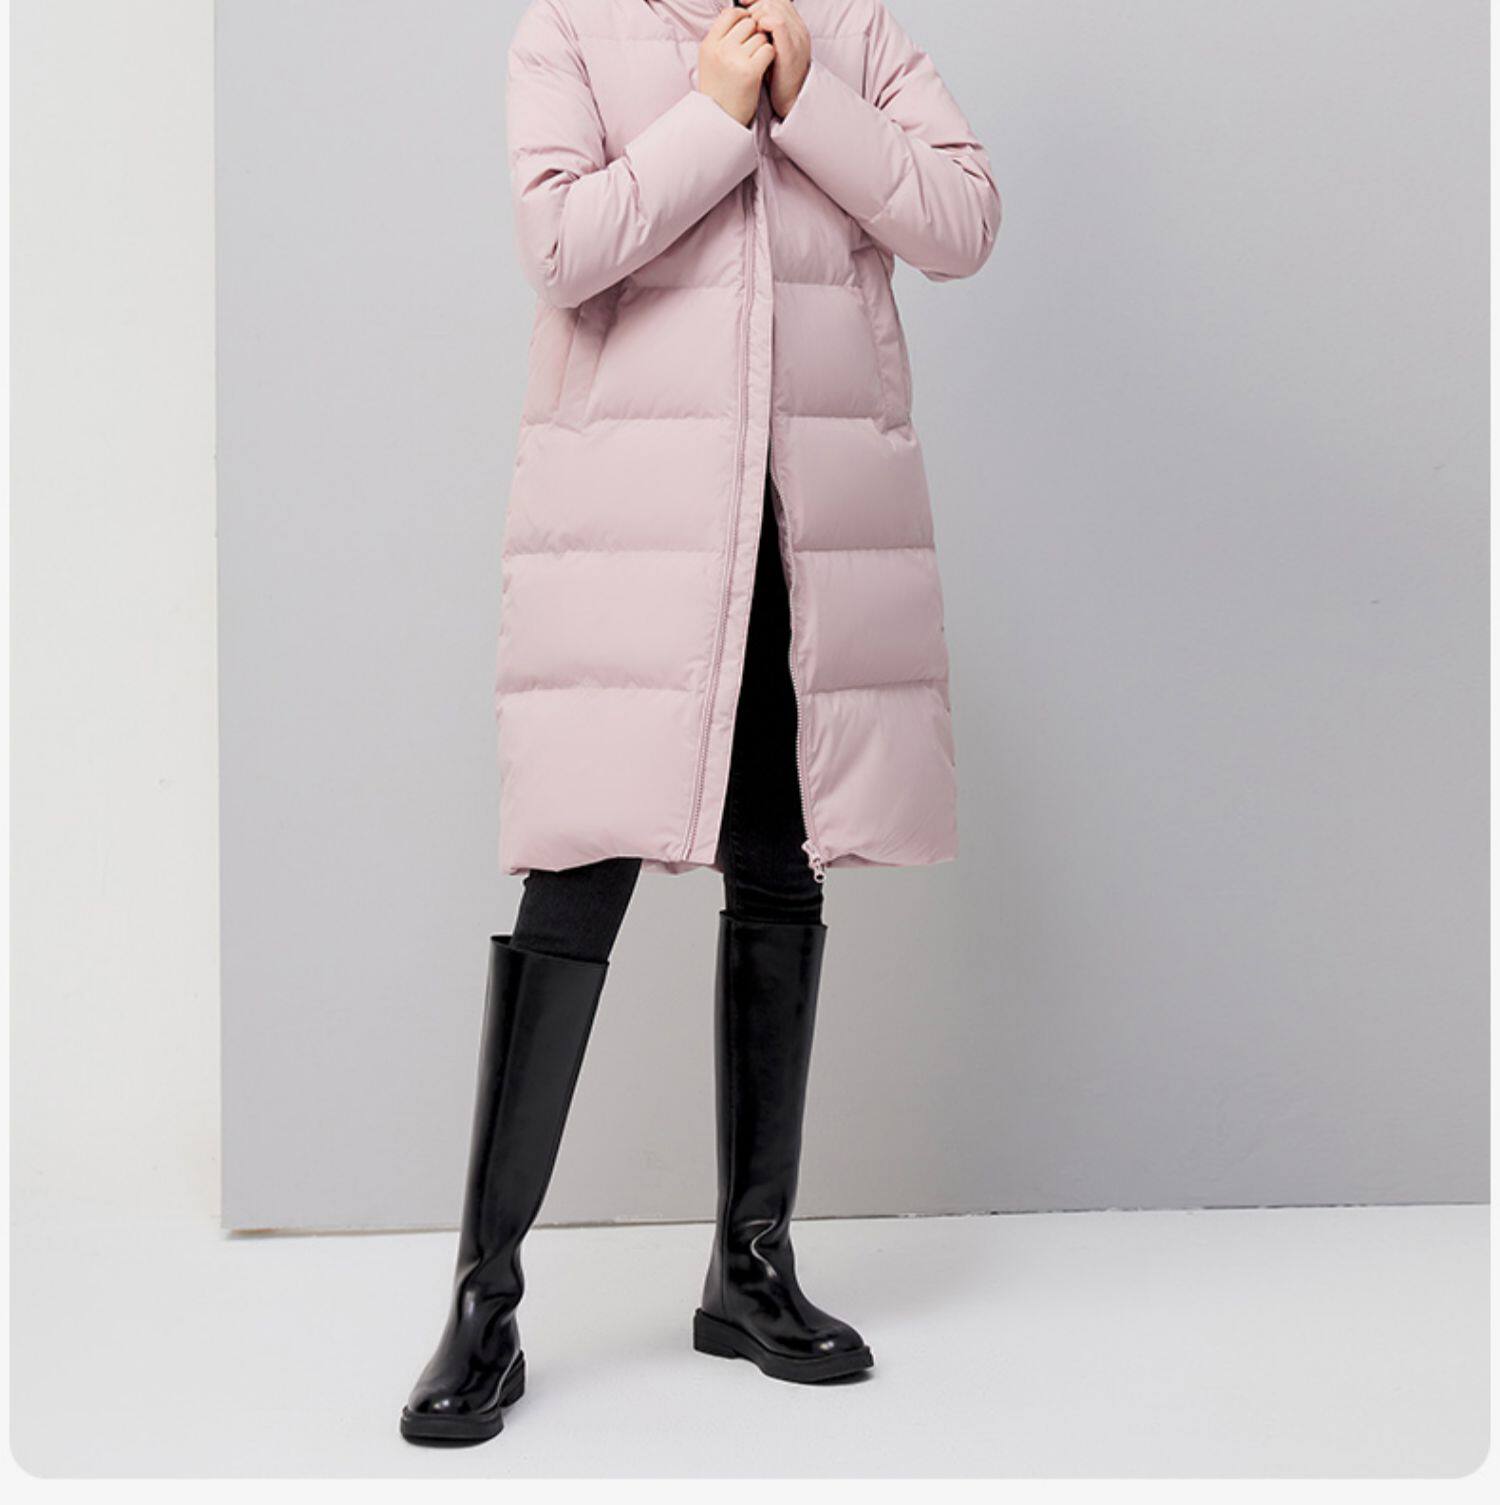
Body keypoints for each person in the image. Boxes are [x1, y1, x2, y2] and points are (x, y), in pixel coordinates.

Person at [400, 0, 999, 1445]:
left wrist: (809, 94)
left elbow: (964, 222)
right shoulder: (569, 30)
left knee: (780, 867)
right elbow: (562, 247)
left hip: (804, 535)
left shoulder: (843, 30)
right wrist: (718, 113)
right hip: (638, 544)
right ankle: (484, 1304)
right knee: (577, 875)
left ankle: (750, 1265)